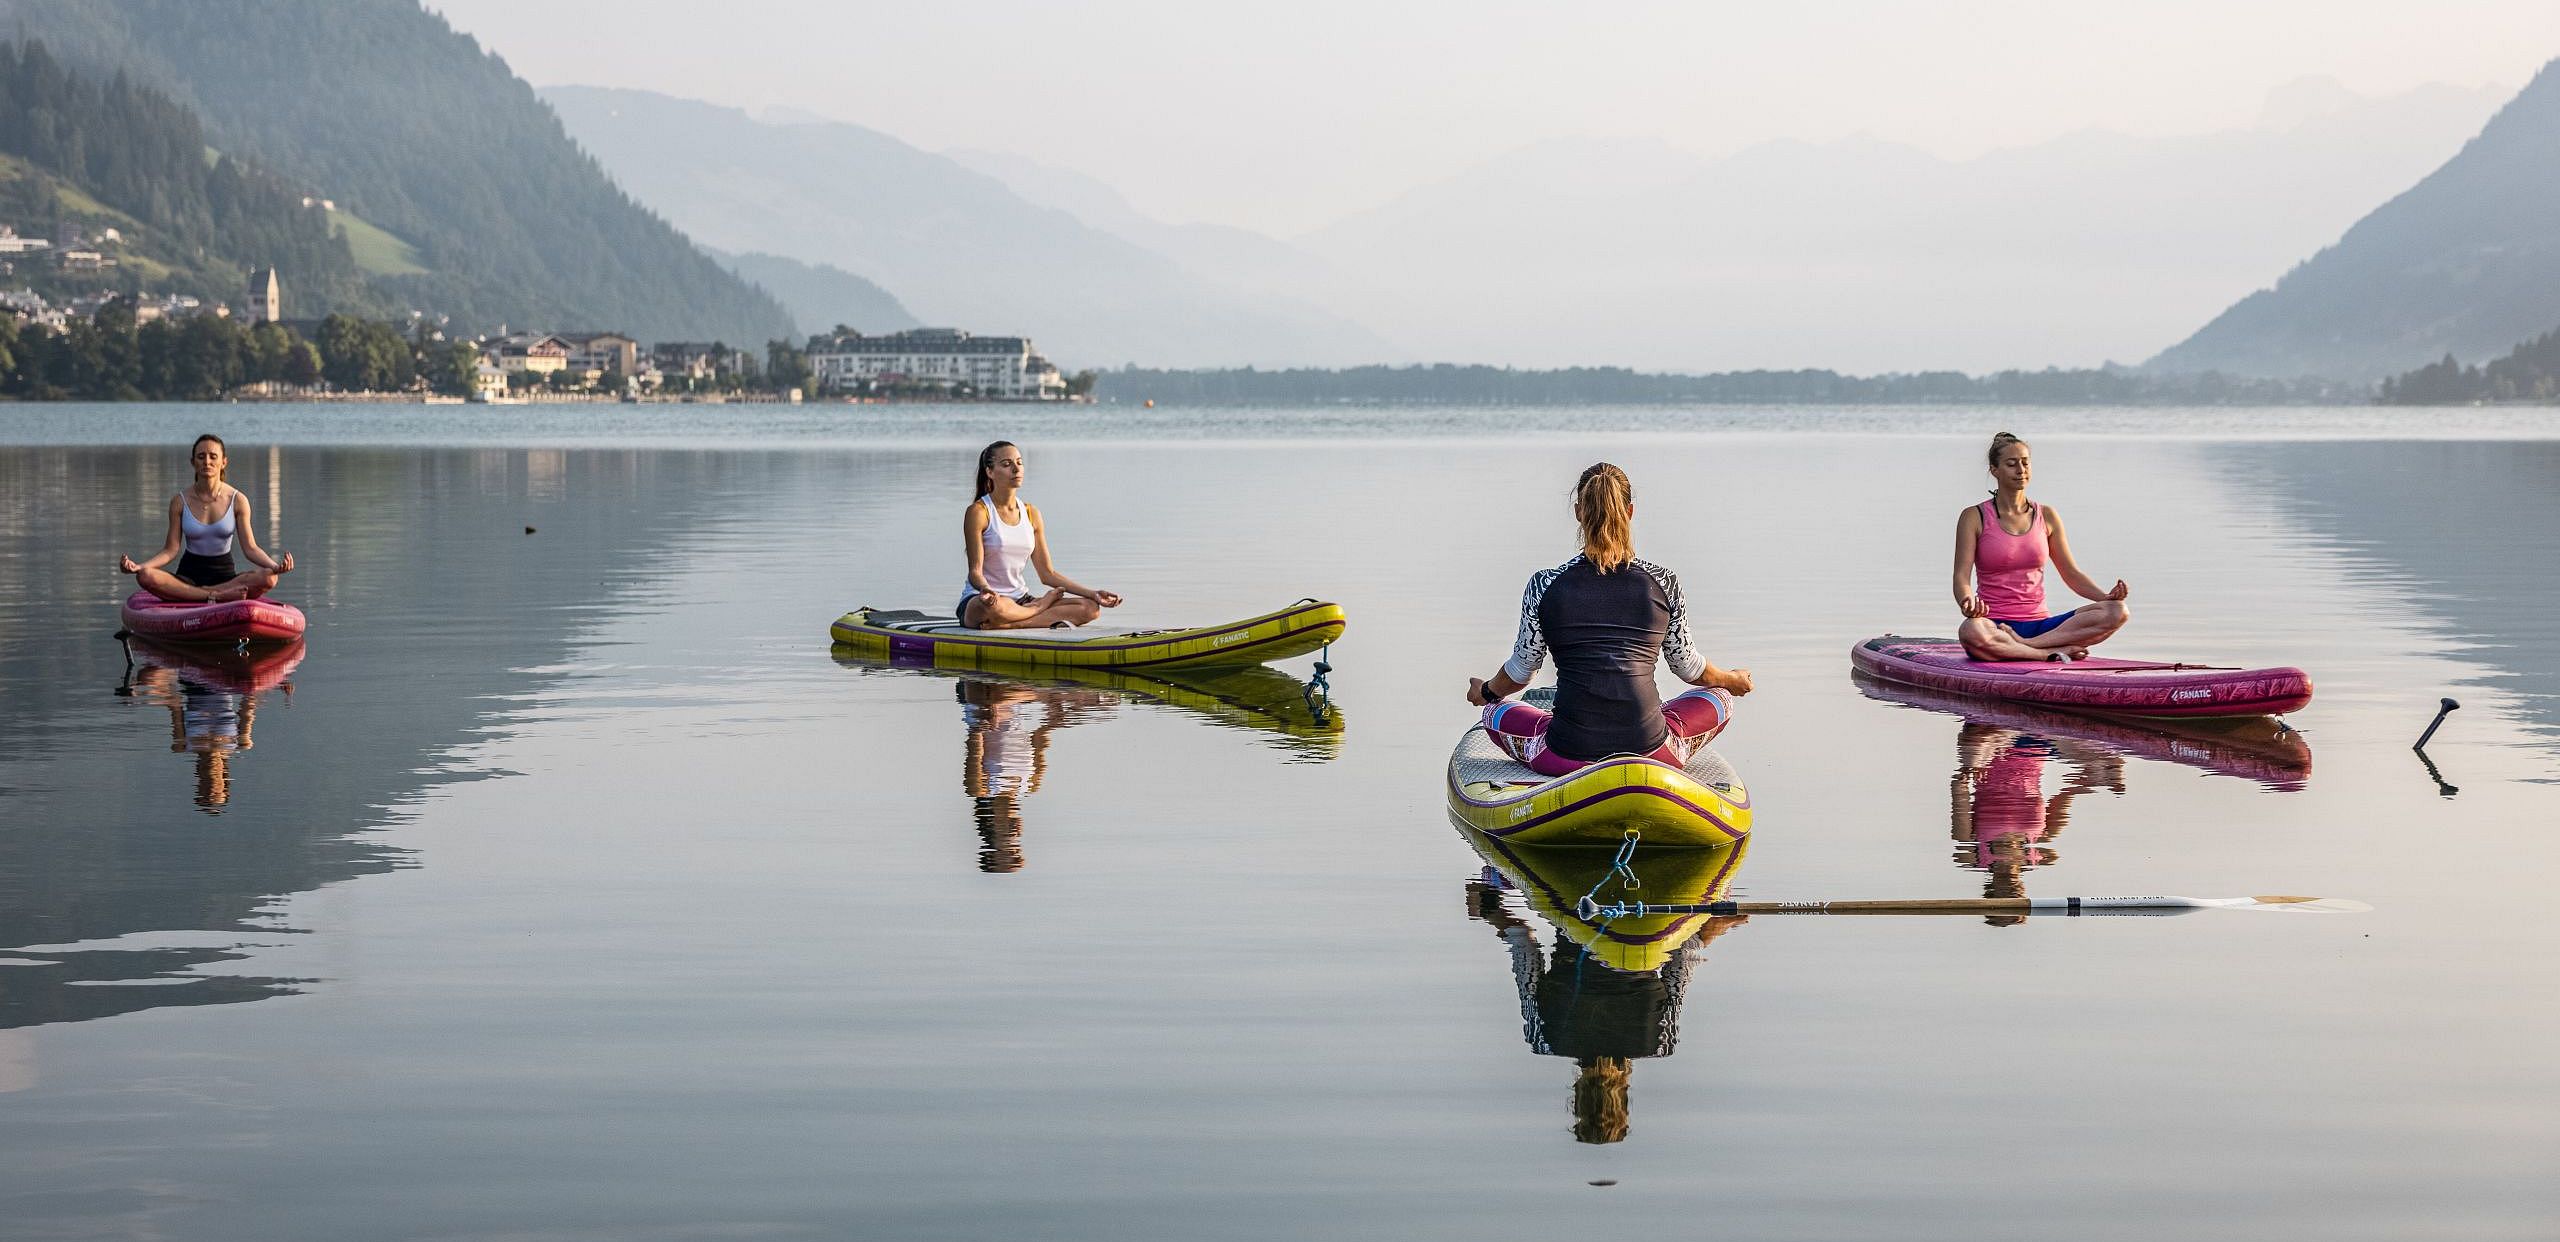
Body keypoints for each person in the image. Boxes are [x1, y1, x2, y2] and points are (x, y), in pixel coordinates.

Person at [1466, 463, 1752, 776]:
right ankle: (1655, 738)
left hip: (1567, 752)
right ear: (1630, 511)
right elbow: (1690, 668)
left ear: (1578, 512)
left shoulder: (1544, 585)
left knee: (1494, 711)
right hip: (1650, 749)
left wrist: (1487, 692)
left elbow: (1521, 673)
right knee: (1721, 698)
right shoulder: (1663, 582)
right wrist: (1731, 679)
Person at [1953, 432, 2128, 661]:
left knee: (2117, 611)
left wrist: (2106, 597)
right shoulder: (1974, 517)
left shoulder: (2046, 515)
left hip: (2044, 628)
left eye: (2025, 462)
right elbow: (1961, 577)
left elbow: (2071, 573)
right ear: (1994, 470)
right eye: (2011, 464)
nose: (2021, 469)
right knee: (1970, 630)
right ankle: (2045, 654)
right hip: (1994, 625)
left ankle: (2028, 646)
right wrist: (1968, 603)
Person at [958, 441, 1122, 629]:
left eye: (1019, 463)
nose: (1015, 469)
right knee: (993, 608)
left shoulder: (1031, 513)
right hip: (986, 600)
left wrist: (1092, 593)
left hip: (1021, 601)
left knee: (1090, 608)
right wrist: (985, 590)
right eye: (1006, 464)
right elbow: (975, 572)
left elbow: (1047, 574)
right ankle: (1037, 609)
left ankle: (1011, 625)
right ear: (990, 472)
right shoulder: (979, 512)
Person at [117, 434, 293, 603]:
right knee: (146, 576)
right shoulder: (179, 501)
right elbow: (170, 550)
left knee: (269, 578)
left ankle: (204, 595)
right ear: (193, 463)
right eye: (201, 457)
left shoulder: (238, 500)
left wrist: (275, 566)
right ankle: (214, 596)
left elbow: (251, 548)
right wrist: (139, 566)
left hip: (226, 577)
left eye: (213, 456)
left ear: (223, 462)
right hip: (188, 577)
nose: (207, 461)